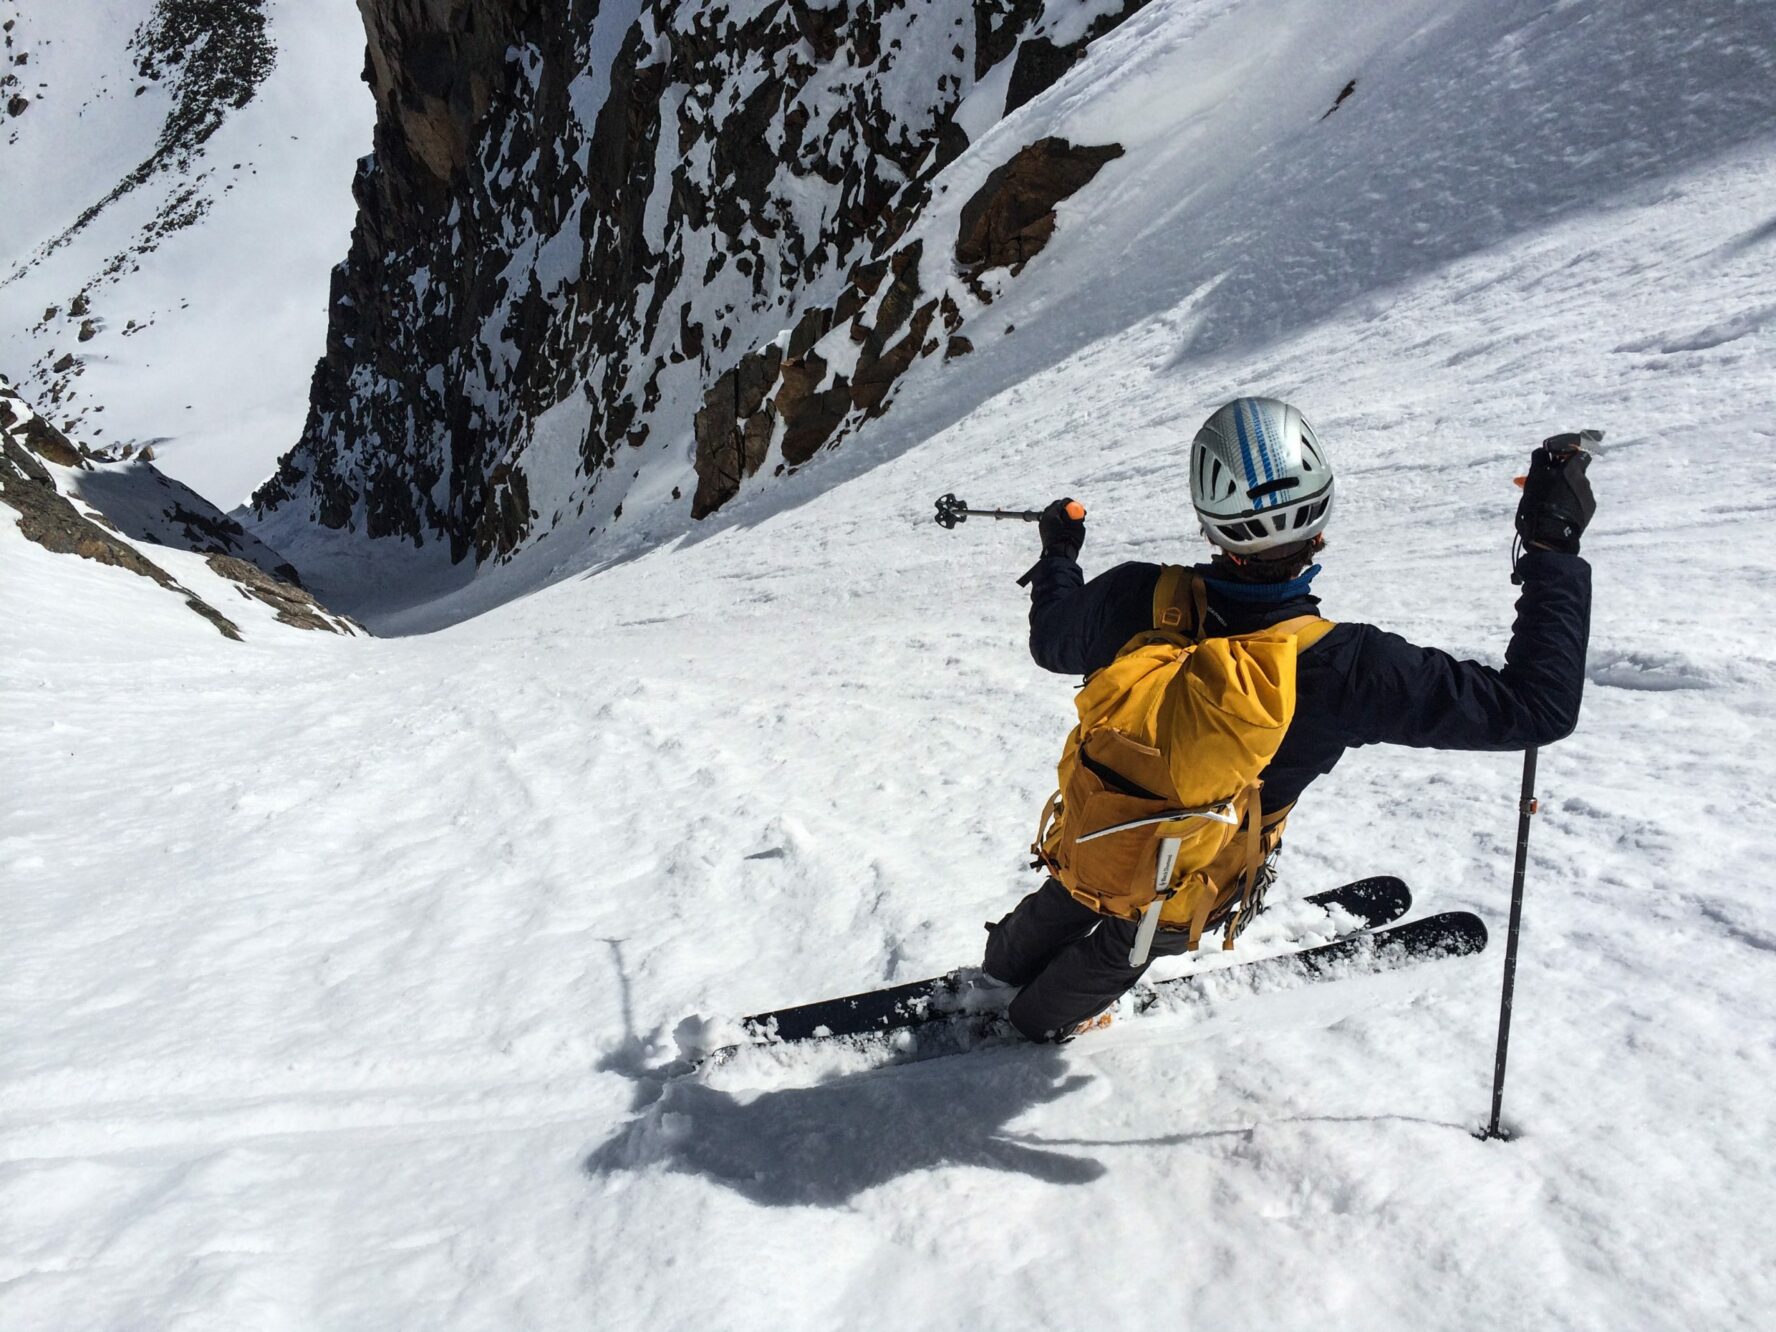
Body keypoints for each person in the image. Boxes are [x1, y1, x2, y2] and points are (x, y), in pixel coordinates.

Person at [983, 396, 1595, 1041]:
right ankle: (1040, 1021)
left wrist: (1059, 553)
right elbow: (1536, 709)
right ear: (1322, 523)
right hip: (1198, 869)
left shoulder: (1138, 593)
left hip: (1090, 827)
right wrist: (1552, 550)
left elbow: (1051, 641)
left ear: (1209, 525)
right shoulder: (1348, 667)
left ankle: (1001, 969)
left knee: (1077, 887)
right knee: (1131, 940)